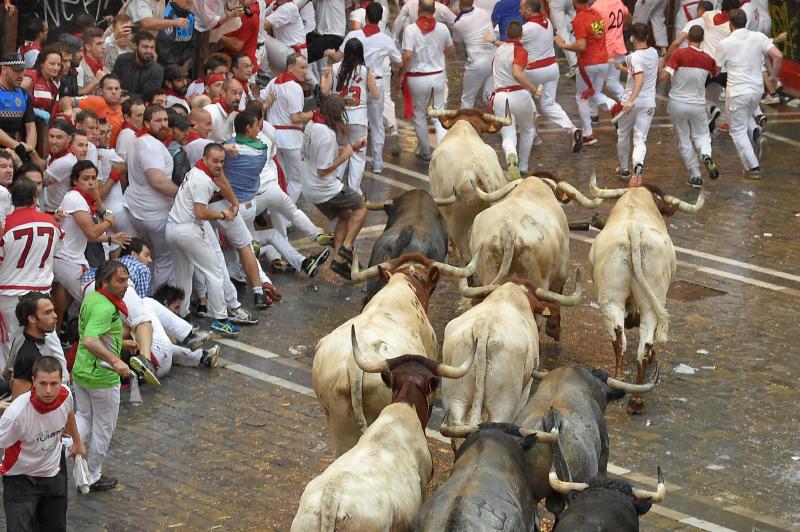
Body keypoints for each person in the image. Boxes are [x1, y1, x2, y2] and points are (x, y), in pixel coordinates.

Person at [165, 143, 242, 337]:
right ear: (205, 159)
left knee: (184, 273)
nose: (219, 165)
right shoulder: (203, 181)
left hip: (172, 228)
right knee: (214, 271)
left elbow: (221, 181)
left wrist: (234, 202)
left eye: (222, 161)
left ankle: (182, 315)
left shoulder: (197, 170)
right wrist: (222, 214)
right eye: (215, 161)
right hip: (187, 230)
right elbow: (200, 212)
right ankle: (220, 319)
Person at [0, 357, 85, 528]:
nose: (48, 390)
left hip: (52, 475)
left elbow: (69, 414)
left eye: (54, 384)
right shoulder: (16, 414)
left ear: (61, 381)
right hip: (20, 480)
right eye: (43, 383)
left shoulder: (66, 395)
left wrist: (77, 441)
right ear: (33, 382)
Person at [72, 260, 132, 493]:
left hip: (81, 371)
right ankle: (93, 474)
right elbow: (90, 339)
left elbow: (92, 333)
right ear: (104, 282)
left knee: (84, 417)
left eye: (126, 279)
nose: (125, 285)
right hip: (102, 377)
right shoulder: (105, 307)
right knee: (103, 428)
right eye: (120, 280)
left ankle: (62, 448)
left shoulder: (93, 297)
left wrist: (121, 342)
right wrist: (116, 360)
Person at [0, 179, 64, 375]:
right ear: (36, 197)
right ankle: (62, 382)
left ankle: (14, 388)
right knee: (50, 341)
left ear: (13, 199)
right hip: (40, 293)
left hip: (11, 293)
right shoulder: (50, 220)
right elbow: (58, 249)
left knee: (11, 343)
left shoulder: (6, 225)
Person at [53, 161, 130, 323]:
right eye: (86, 178)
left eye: (94, 178)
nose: (91, 182)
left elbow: (89, 233)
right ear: (75, 181)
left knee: (61, 305)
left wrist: (110, 237)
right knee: (98, 302)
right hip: (67, 260)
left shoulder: (83, 200)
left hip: (70, 259)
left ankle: (60, 338)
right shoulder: (74, 198)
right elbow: (92, 232)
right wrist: (109, 222)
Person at [302, 96, 368, 279]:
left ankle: (338, 261)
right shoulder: (327, 134)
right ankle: (346, 248)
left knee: (345, 215)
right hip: (324, 188)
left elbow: (322, 153)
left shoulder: (311, 125)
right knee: (361, 206)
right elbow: (324, 169)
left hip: (309, 187)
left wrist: (351, 149)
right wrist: (346, 155)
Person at [334, 2, 402, 174]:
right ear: (380, 19)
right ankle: (377, 163)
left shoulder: (354, 35)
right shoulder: (385, 40)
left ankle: (348, 160)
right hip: (376, 82)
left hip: (355, 81)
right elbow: (398, 61)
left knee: (352, 121)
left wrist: (328, 53)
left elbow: (339, 56)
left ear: (365, 17)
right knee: (377, 124)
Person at [715, 8, 783, 179]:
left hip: (737, 91)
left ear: (730, 24)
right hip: (756, 90)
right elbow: (778, 56)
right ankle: (756, 133)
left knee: (737, 130)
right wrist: (773, 77)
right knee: (745, 117)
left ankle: (752, 167)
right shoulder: (759, 37)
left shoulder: (725, 43)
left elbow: (716, 70)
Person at [124, 104, 178, 288]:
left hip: (140, 211)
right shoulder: (149, 145)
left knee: (150, 256)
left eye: (165, 120)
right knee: (164, 259)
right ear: (146, 122)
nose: (163, 124)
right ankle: (160, 302)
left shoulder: (139, 141)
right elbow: (158, 181)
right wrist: (183, 195)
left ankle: (147, 295)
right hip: (155, 214)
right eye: (158, 121)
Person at [518, 0, 581, 152]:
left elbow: (511, 45)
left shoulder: (526, 28)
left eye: (521, 8)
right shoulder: (548, 22)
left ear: (528, 10)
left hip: (534, 70)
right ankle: (571, 129)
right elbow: (558, 39)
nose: (519, 11)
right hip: (552, 69)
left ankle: (532, 134)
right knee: (549, 104)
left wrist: (494, 41)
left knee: (522, 98)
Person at [555, 0, 620, 146]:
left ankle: (588, 133)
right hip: (603, 61)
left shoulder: (580, 18)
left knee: (582, 97)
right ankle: (615, 107)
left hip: (588, 63)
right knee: (594, 94)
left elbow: (581, 45)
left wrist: (563, 45)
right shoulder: (596, 14)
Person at [663, 25, 720, 188]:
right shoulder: (708, 59)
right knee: (702, 136)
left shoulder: (678, 54)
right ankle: (706, 155)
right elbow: (714, 73)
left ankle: (695, 175)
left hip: (677, 103)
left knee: (684, 140)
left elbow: (667, 74)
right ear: (702, 40)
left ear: (688, 38)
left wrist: (661, 72)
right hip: (697, 104)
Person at [398, 0, 455, 162]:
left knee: (420, 115)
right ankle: (443, 150)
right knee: (438, 114)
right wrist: (438, 49)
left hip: (417, 78)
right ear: (434, 10)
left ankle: (425, 151)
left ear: (419, 9)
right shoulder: (443, 28)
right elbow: (451, 50)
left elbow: (407, 55)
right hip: (437, 76)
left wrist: (401, 74)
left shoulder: (410, 30)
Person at [321, 38, 380, 193]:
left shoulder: (334, 68)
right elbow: (376, 95)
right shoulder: (364, 70)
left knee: (340, 152)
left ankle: (337, 186)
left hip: (339, 117)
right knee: (357, 156)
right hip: (359, 118)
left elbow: (324, 91)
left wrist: (323, 77)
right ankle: (354, 189)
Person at [488, 20, 541, 178]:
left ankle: (512, 158)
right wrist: (534, 89)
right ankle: (523, 166)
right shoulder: (520, 51)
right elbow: (517, 73)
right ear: (522, 35)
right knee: (528, 130)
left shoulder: (499, 50)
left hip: (500, 96)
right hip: (519, 94)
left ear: (506, 35)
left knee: (508, 136)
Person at [612, 23, 659, 187]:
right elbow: (639, 72)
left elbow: (639, 78)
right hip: (648, 103)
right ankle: (637, 167)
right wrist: (622, 68)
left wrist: (631, 100)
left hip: (630, 103)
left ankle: (624, 168)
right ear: (647, 37)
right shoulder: (653, 53)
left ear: (632, 37)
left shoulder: (632, 57)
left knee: (623, 134)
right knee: (640, 139)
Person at [261, 54, 312, 202]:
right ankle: (287, 216)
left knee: (280, 179)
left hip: (274, 138)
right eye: (302, 67)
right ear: (290, 67)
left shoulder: (273, 82)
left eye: (306, 67)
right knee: (296, 181)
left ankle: (276, 211)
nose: (305, 71)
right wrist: (311, 114)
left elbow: (259, 101)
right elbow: (295, 117)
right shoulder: (295, 87)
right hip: (292, 139)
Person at [7, 293, 68, 399]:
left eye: (53, 310)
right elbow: (18, 404)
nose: (55, 316)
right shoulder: (28, 356)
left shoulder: (21, 338)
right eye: (48, 313)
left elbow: (6, 373)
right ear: (32, 319)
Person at [61, 75, 125, 148]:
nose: (114, 92)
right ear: (101, 91)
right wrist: (69, 110)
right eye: (109, 89)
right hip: (92, 148)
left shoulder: (122, 109)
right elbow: (65, 100)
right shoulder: (97, 101)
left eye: (116, 89)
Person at [453, 0, 495, 108]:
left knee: (467, 98)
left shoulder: (459, 23)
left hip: (477, 63)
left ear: (460, 5)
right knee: (489, 97)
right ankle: (500, 120)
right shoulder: (484, 13)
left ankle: (465, 124)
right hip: (494, 59)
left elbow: (456, 43)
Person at [0, 53, 37, 163]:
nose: (21, 75)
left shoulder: (24, 95)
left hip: (16, 148)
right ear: (4, 69)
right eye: (16, 71)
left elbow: (31, 127)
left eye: (22, 71)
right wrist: (17, 146)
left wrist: (29, 150)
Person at [592, 0, 631, 102]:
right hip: (618, 48)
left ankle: (596, 114)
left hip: (604, 51)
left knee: (595, 89)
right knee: (613, 83)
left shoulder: (597, 6)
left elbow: (597, 33)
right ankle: (626, 103)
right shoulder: (618, 2)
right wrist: (622, 27)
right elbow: (629, 17)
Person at [111, 32, 164, 98]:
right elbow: (112, 82)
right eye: (145, 47)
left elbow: (149, 97)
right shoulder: (122, 59)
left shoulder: (157, 70)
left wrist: (126, 96)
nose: (149, 51)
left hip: (140, 106)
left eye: (152, 47)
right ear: (136, 46)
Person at [21, 45, 62, 125]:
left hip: (45, 126)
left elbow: (53, 112)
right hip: (25, 124)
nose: (56, 68)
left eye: (59, 64)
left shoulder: (54, 84)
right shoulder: (30, 78)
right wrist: (34, 111)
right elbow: (16, 103)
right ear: (42, 64)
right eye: (52, 64)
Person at [157, 0, 197, 70]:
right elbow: (163, 51)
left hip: (182, 66)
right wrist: (177, 68)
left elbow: (191, 45)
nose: (190, 0)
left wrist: (183, 62)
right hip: (163, 67)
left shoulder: (191, 17)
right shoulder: (165, 15)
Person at [205, 78, 243, 142]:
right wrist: (224, 147)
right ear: (223, 93)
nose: (238, 98)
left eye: (240, 94)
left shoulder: (234, 115)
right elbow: (200, 141)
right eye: (234, 93)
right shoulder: (210, 112)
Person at [546, 0, 577, 76]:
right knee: (574, 30)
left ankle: (575, 65)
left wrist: (544, 13)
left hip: (557, 3)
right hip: (571, 1)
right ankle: (580, 62)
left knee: (562, 33)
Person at [77, 27, 108, 96]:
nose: (103, 47)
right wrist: (96, 81)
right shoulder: (79, 66)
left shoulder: (103, 66)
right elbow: (76, 93)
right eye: (99, 44)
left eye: (103, 43)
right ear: (88, 47)